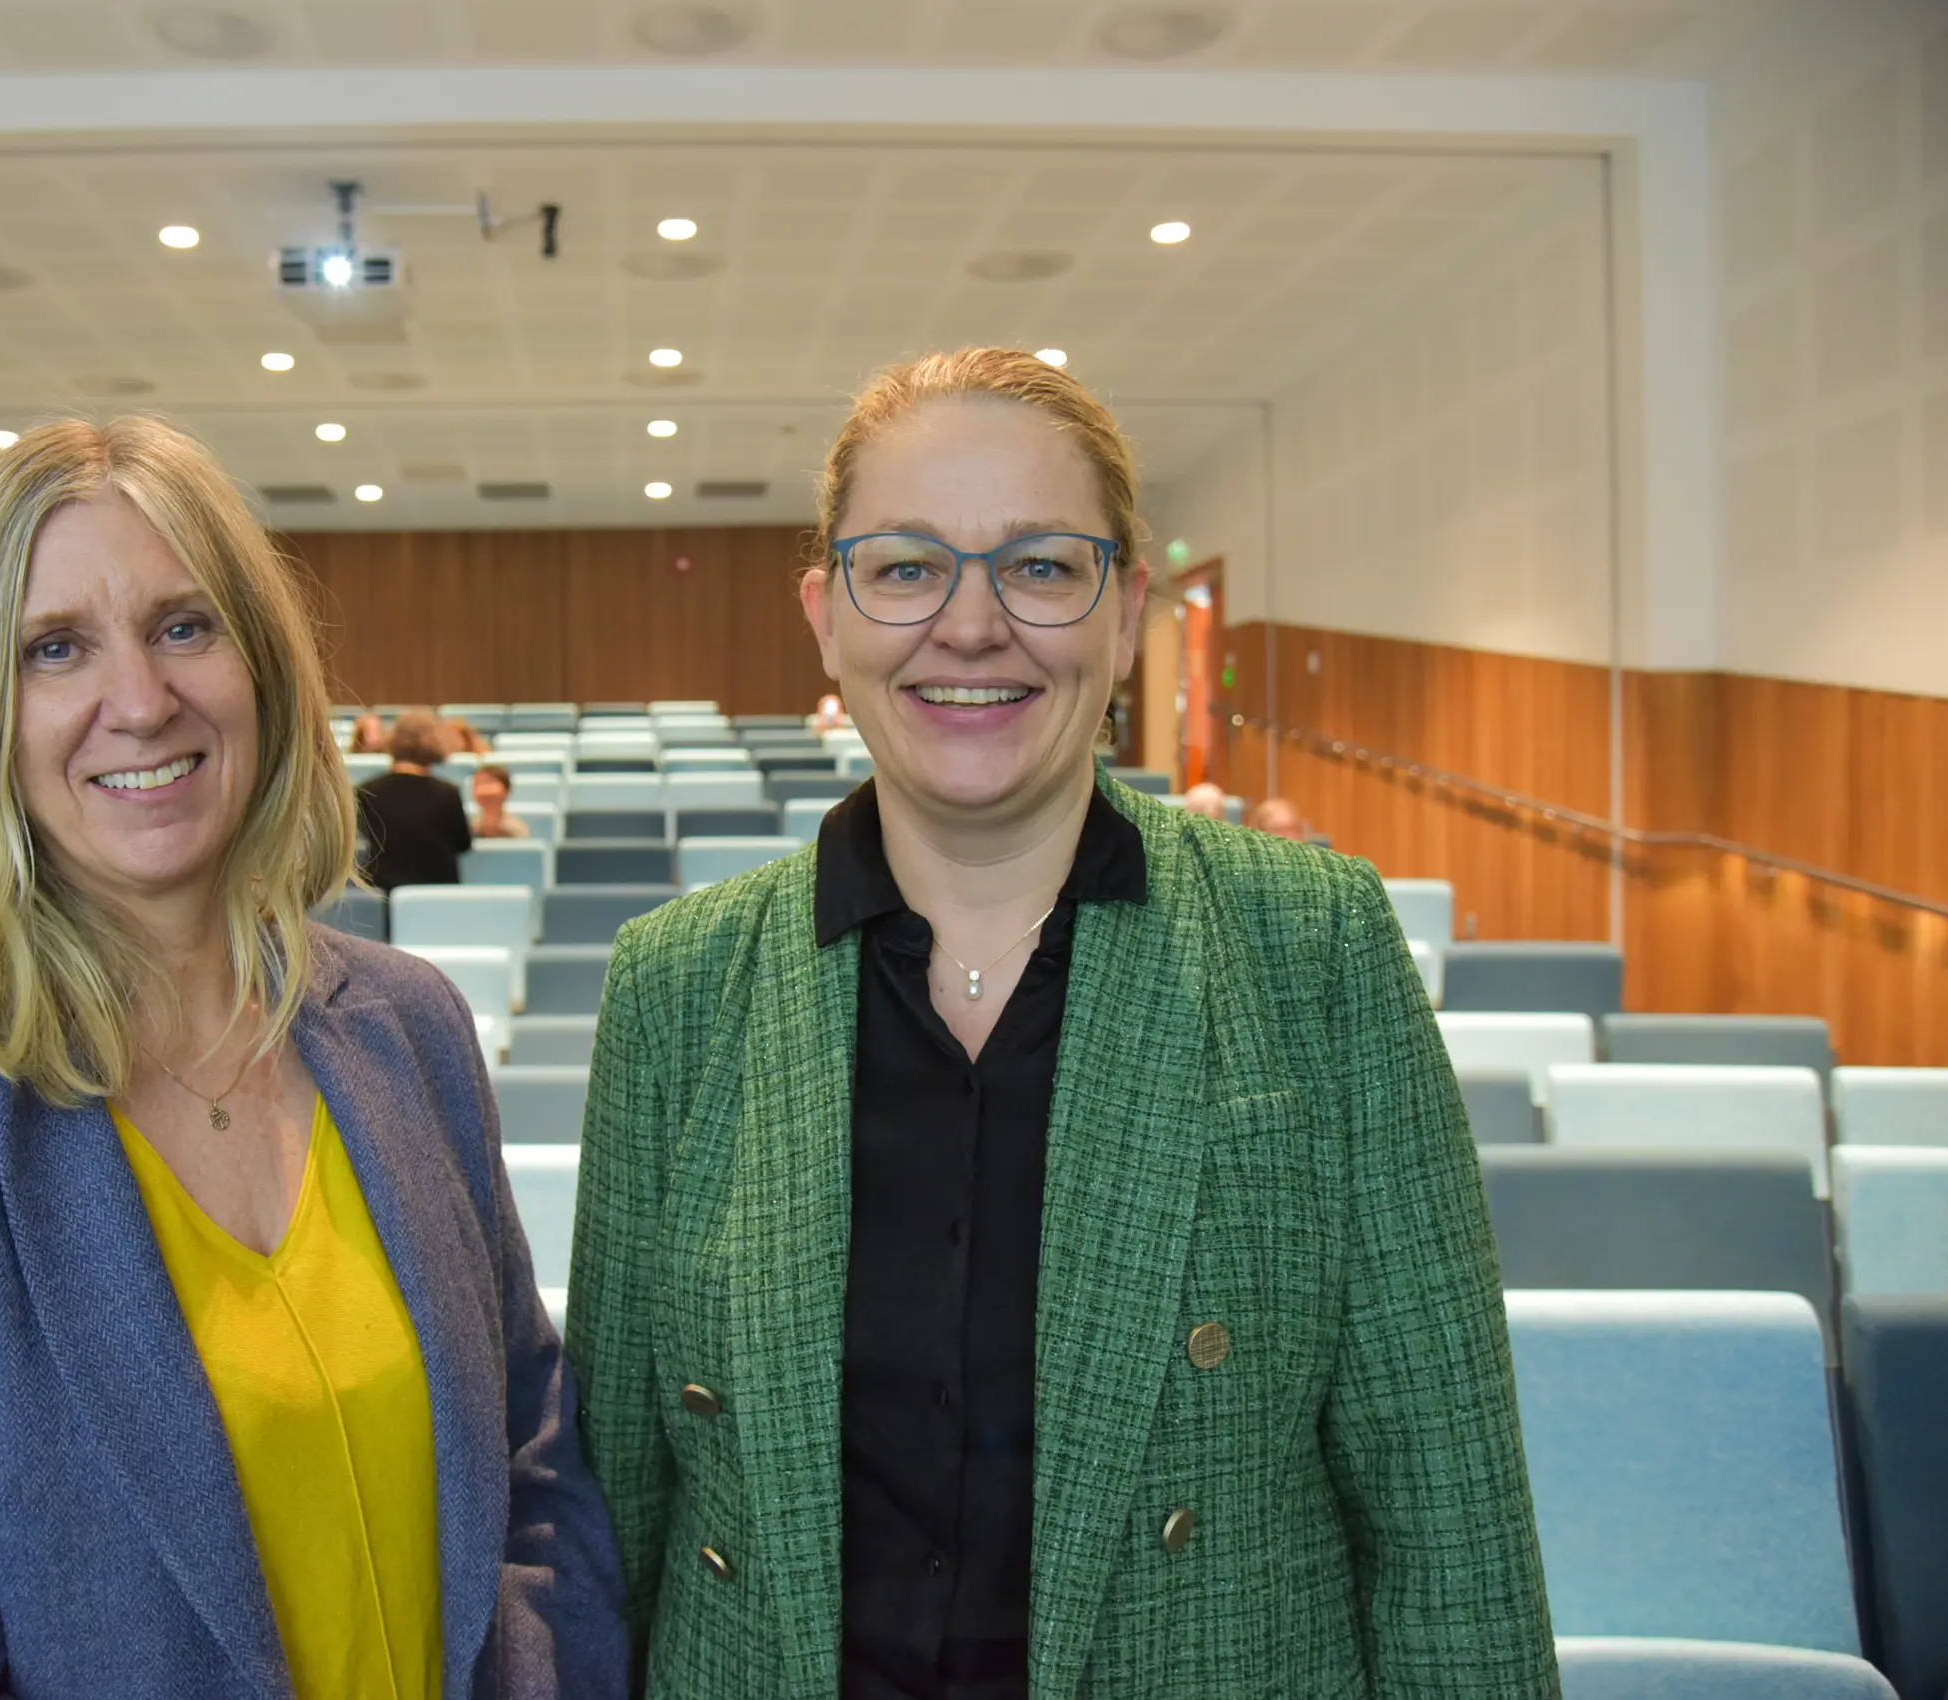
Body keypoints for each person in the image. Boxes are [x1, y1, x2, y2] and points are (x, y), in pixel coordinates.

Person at [568, 348, 1554, 1699]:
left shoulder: (1311, 943)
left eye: (1038, 566)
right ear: (825, 613)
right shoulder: (676, 986)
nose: (971, 627)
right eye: (906, 567)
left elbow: (1449, 1517)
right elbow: (619, 1509)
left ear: (1125, 606)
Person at [0, 417, 624, 1700]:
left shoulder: (408, 1023)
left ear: (260, 665)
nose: (140, 699)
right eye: (55, 649)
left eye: (184, 626)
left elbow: (534, 1461)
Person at [354, 710, 473, 892]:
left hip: (382, 895)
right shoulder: (448, 793)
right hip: (438, 896)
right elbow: (463, 845)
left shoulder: (367, 790)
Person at [471, 764, 530, 839]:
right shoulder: (469, 828)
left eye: (488, 782)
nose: (481, 789)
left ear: (506, 791)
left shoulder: (517, 829)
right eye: (477, 784)